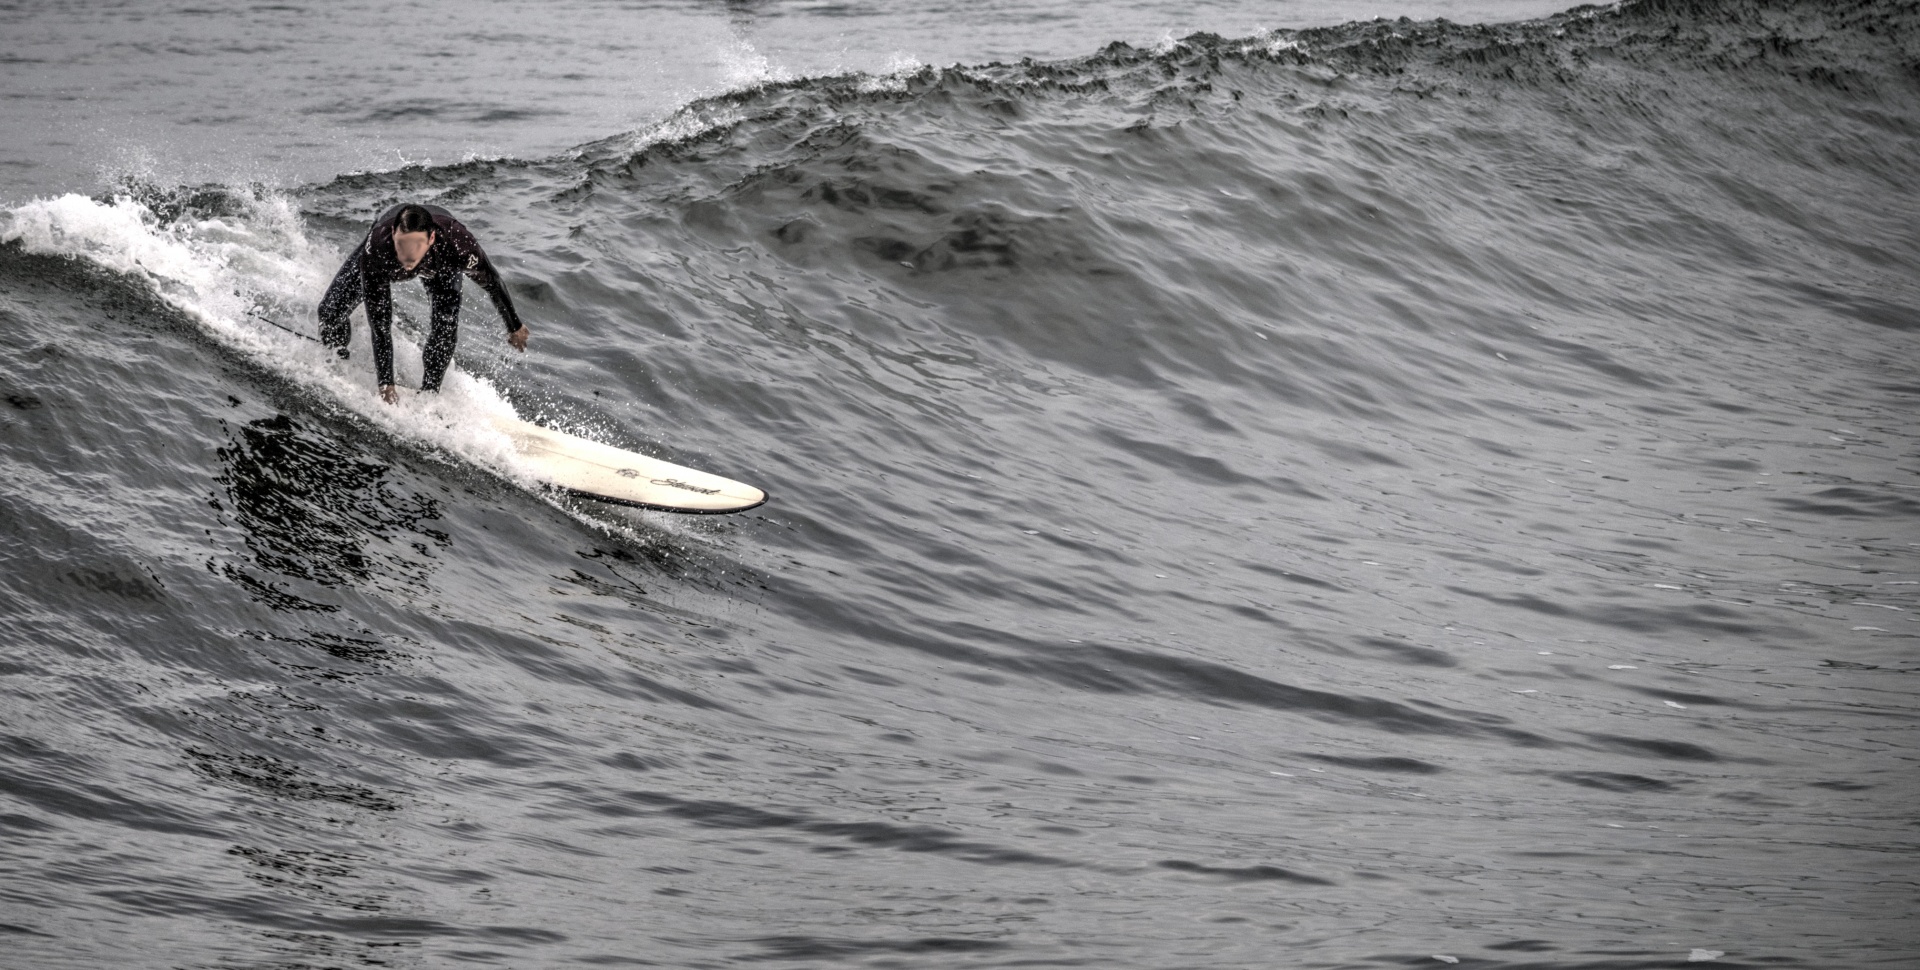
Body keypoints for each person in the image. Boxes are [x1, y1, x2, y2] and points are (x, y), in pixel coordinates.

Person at [317, 203, 531, 403]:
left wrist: (514, 325)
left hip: (440, 266)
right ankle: (337, 362)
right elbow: (380, 324)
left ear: (431, 239)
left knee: (445, 328)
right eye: (402, 244)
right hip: (383, 249)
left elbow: (492, 281)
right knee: (330, 312)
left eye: (417, 245)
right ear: (393, 235)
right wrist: (386, 383)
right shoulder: (379, 248)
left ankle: (429, 395)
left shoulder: (457, 246)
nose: (408, 255)